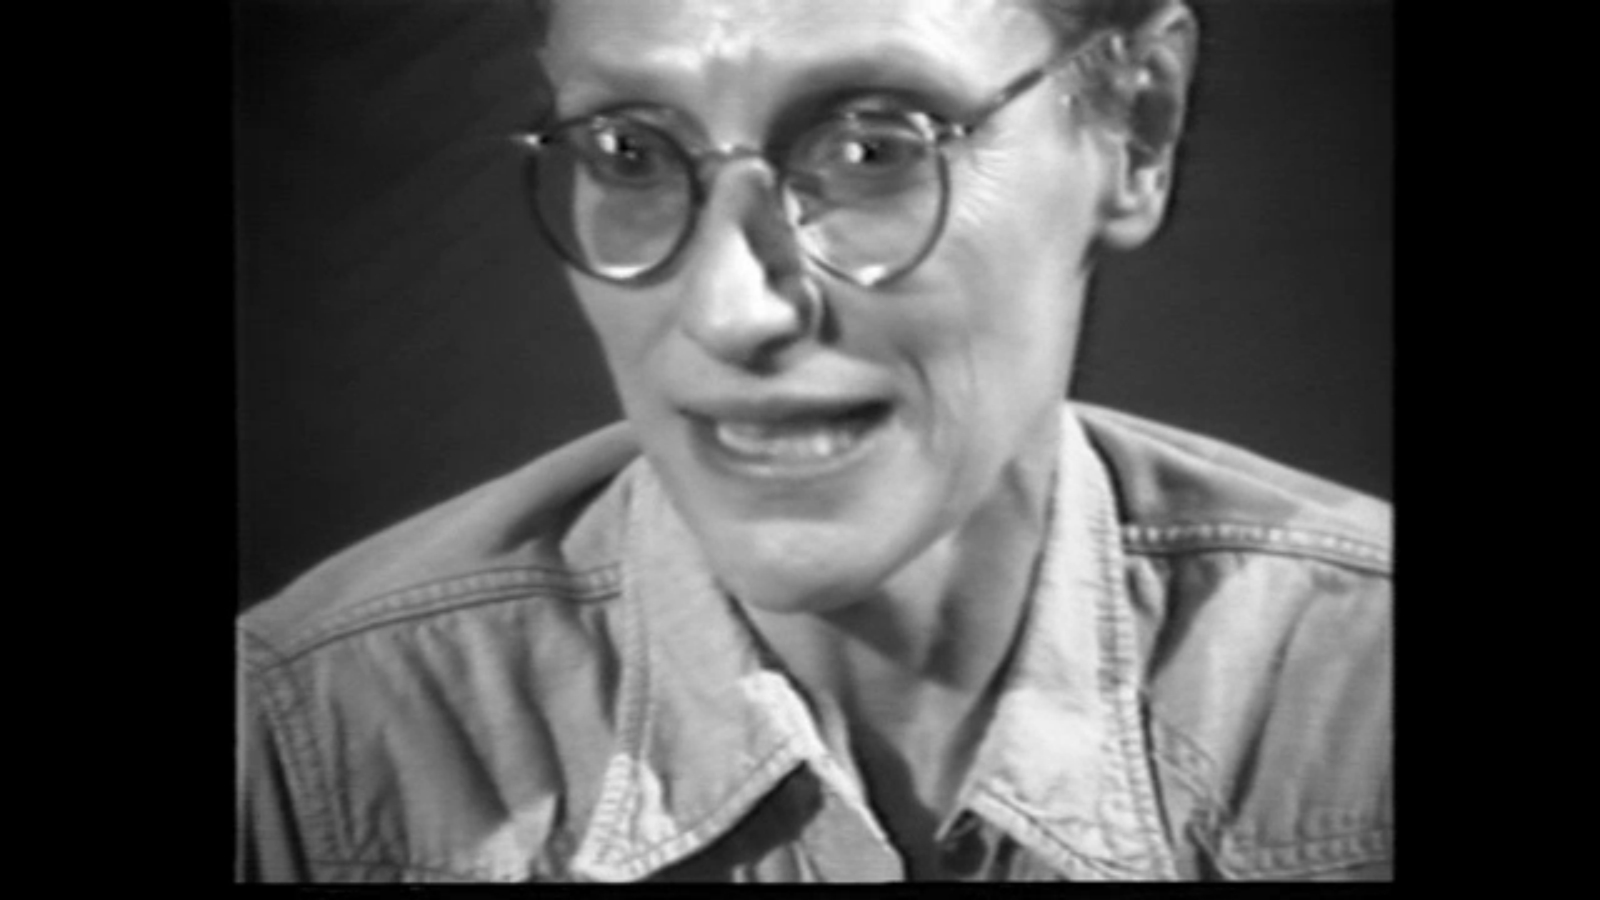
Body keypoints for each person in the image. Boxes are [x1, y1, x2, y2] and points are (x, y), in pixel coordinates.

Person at [237, 0, 1391, 882]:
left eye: (874, 147)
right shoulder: (310, 744)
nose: (730, 309)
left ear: (1137, 129)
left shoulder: (1363, 695)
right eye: (630, 153)